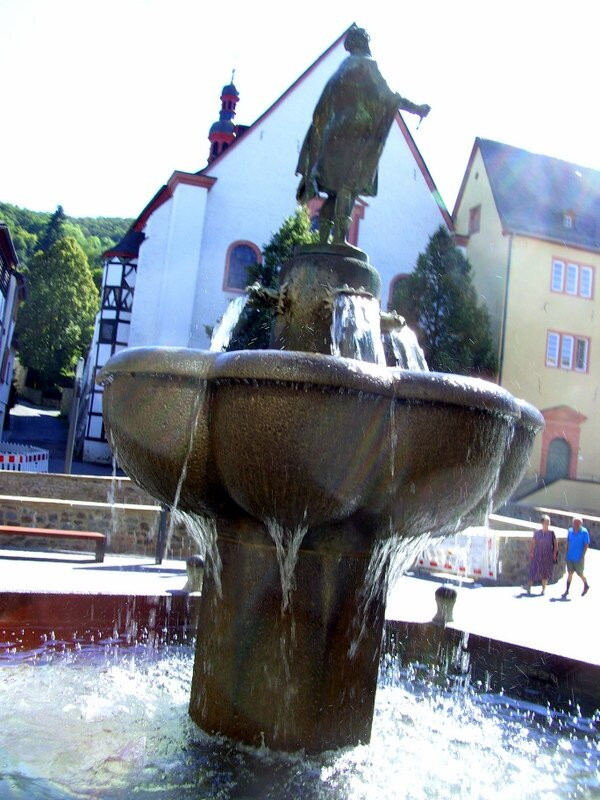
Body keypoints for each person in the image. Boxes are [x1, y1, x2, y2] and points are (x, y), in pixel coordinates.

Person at [296, 25, 430, 245]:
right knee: (348, 187)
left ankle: (322, 241)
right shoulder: (367, 64)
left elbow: (321, 111)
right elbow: (388, 97)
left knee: (332, 192)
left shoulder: (341, 70)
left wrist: (316, 144)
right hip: (356, 135)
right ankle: (339, 240)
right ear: (363, 42)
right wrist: (416, 108)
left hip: (333, 137)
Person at [527, 514, 558, 595]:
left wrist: (554, 554)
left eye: (548, 522)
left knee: (545, 572)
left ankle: (543, 589)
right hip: (538, 554)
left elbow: (555, 544)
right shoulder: (537, 533)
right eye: (546, 522)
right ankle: (529, 588)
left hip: (548, 555)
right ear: (542, 523)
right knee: (533, 571)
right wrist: (531, 552)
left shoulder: (552, 533)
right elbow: (532, 543)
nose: (547, 523)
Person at [562, 516, 590, 598]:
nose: (576, 524)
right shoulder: (570, 531)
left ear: (581, 523)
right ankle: (567, 591)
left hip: (579, 557)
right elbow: (568, 542)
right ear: (573, 523)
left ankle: (586, 585)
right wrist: (566, 554)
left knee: (580, 573)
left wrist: (583, 555)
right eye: (575, 523)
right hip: (570, 556)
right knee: (570, 573)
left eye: (578, 523)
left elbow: (586, 544)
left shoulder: (584, 532)